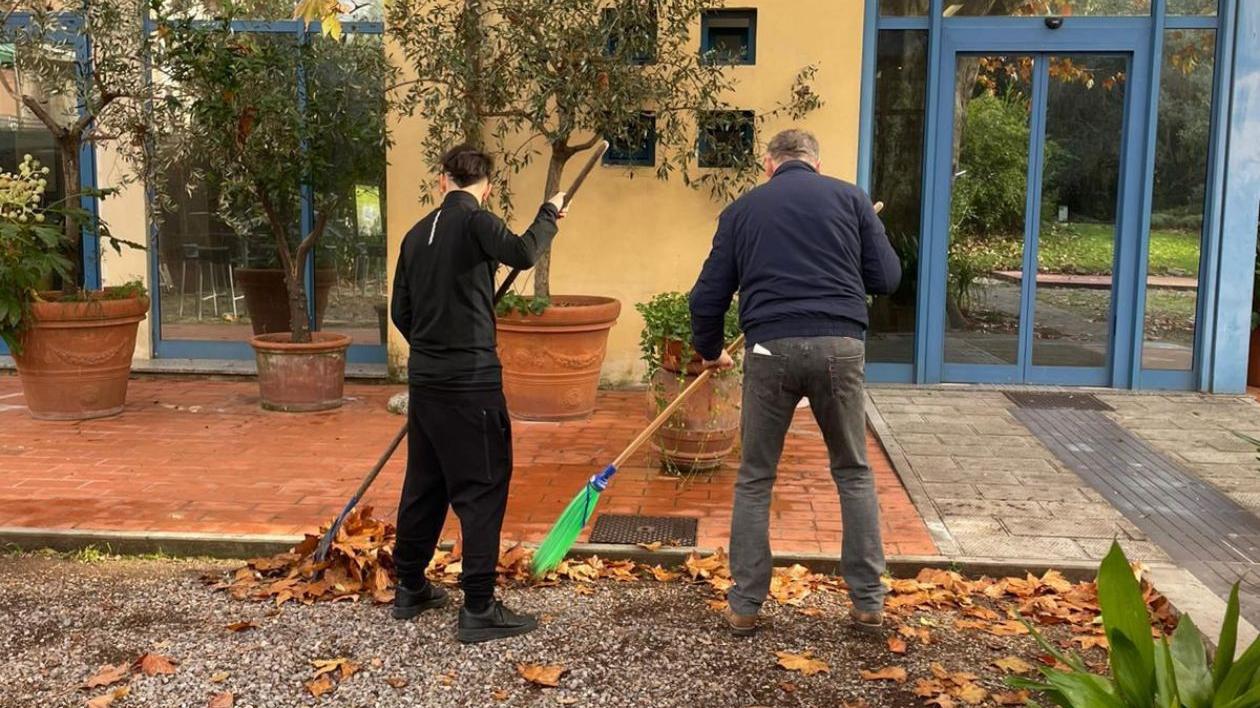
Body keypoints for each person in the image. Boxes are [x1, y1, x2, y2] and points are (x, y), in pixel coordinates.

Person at [688, 129, 901, 636]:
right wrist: (867, 229)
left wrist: (712, 351)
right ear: (816, 163)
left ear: (769, 165)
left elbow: (706, 296)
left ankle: (744, 605)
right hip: (840, 347)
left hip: (769, 349)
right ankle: (869, 601)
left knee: (756, 477)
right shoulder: (850, 200)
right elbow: (887, 279)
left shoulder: (743, 210)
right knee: (853, 472)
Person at [390, 144, 566, 643]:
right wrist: (549, 214)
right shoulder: (476, 221)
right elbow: (525, 252)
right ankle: (480, 606)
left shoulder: (414, 234)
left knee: (426, 483)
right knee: (482, 487)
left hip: (427, 383)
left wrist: (432, 346)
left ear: (442, 180)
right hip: (471, 384)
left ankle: (409, 586)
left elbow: (401, 312)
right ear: (485, 186)